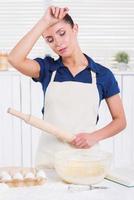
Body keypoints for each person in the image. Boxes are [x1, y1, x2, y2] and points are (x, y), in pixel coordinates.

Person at [8, 6, 126, 168]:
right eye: (50, 39)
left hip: (85, 159)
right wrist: (44, 22)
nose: (58, 43)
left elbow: (120, 121)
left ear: (74, 28)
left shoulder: (102, 74)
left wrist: (94, 137)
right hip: (50, 160)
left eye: (61, 33)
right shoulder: (47, 69)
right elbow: (14, 59)